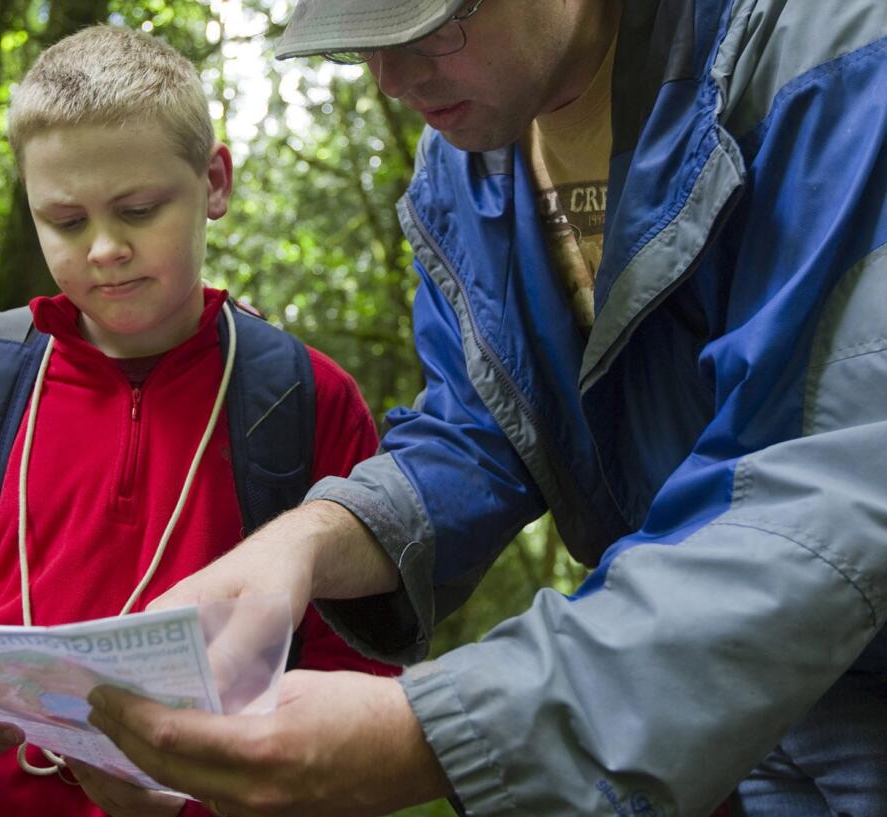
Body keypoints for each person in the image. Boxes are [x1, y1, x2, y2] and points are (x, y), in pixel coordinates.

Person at [84, 1, 887, 816]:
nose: (392, 80)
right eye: (364, 44)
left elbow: (833, 489)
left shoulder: (830, 60)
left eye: (428, 24)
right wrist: (302, 544)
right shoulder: (465, 168)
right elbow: (478, 433)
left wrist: (433, 733)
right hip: (698, 704)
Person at [0, 24, 397, 817]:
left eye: (139, 209)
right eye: (67, 221)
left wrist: (200, 803)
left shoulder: (301, 401)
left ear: (214, 183)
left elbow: (354, 685)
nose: (107, 248)